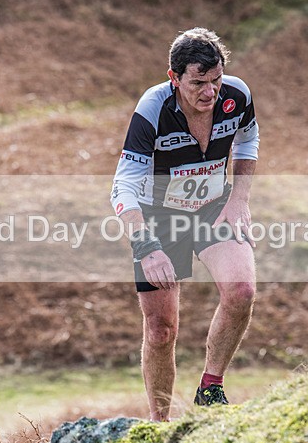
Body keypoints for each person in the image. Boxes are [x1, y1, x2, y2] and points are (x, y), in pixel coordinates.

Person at [111, 27, 259, 421]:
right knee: (161, 329)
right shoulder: (153, 109)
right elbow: (122, 185)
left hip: (214, 207)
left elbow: (248, 141)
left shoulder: (237, 96)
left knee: (241, 290)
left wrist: (239, 199)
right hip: (158, 217)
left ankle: (210, 388)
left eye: (216, 80)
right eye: (198, 83)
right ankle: (161, 424)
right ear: (174, 78)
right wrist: (145, 244)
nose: (209, 92)